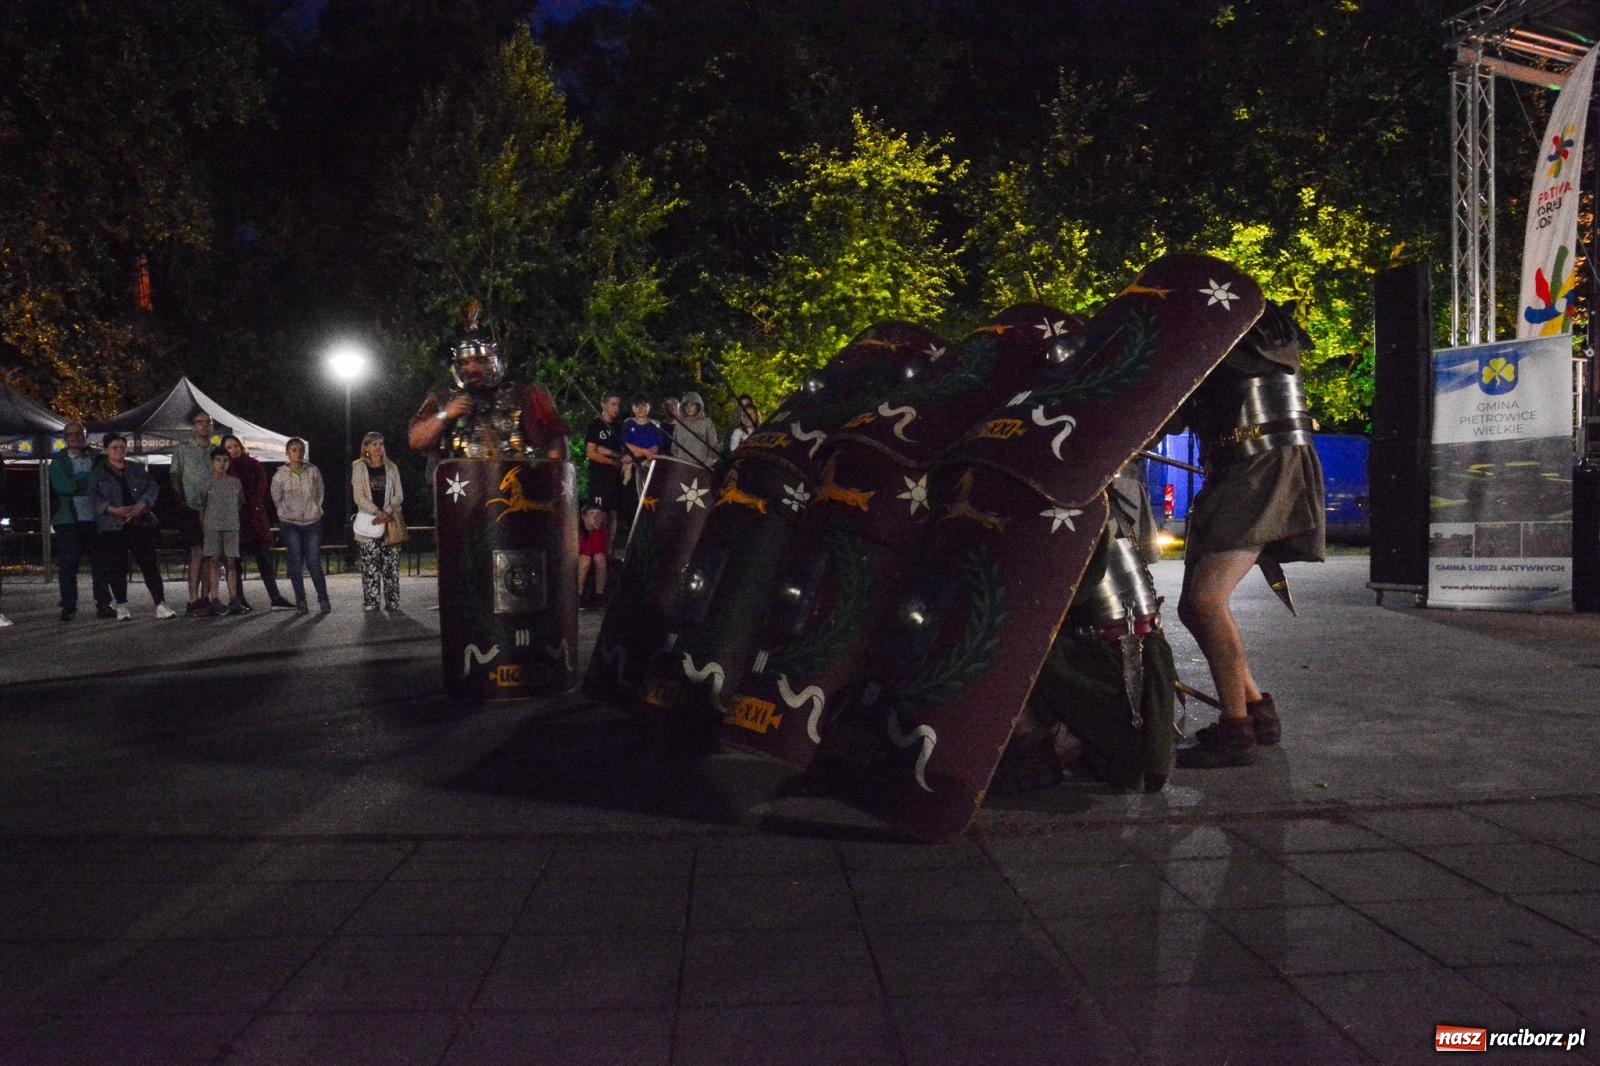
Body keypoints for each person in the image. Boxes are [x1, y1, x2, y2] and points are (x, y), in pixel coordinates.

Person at [1174, 302, 1326, 768]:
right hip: (1240, 469)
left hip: (1261, 467)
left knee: (1206, 602)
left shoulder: (1243, 344)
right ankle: (1257, 712)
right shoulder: (1232, 349)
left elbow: (1176, 402)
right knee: (1192, 606)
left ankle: (1235, 730)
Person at [89, 434, 175, 620]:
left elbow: (152, 487)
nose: (119, 451)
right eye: (114, 448)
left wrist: (142, 505)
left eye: (122, 447)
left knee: (149, 564)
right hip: (113, 525)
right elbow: (94, 498)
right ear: (106, 450)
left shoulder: (136, 468)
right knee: (117, 567)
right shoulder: (98, 472)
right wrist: (113, 510)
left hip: (139, 523)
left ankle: (160, 603)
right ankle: (122, 605)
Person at [222, 435, 293, 611]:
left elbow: (261, 486)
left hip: (254, 517)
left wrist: (253, 504)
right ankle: (239, 598)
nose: (233, 450)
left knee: (263, 558)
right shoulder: (226, 468)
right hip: (235, 518)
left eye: (235, 445)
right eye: (229, 447)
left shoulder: (253, 464)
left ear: (241, 445)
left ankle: (275, 597)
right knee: (235, 561)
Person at [48, 421, 110, 621]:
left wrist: (78, 481)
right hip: (69, 522)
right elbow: (62, 487)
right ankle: (68, 606)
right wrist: (89, 479)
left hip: (96, 520)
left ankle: (104, 604)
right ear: (64, 438)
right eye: (70, 434)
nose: (75, 437)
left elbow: (105, 484)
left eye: (79, 433)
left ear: (86, 435)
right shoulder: (57, 461)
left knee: (100, 565)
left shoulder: (99, 458)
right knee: (67, 567)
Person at [271, 437, 331, 615]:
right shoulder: (280, 475)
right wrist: (286, 511)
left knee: (313, 562)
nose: (298, 453)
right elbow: (276, 497)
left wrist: (316, 508)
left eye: (300, 450)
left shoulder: (313, 471)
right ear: (288, 453)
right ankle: (301, 602)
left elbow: (320, 492)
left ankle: (323, 599)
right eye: (294, 450)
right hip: (290, 523)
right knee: (295, 563)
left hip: (312, 522)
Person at [169, 410, 216, 616]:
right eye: (200, 422)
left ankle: (206, 596)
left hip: (213, 508)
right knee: (196, 552)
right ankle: (192, 598)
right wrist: (181, 499)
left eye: (208, 422)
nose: (204, 426)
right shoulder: (184, 448)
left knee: (209, 554)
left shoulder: (216, 451)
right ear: (193, 426)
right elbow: (174, 474)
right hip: (190, 506)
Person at [351, 431, 403, 612]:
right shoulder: (358, 467)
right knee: (370, 566)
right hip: (369, 522)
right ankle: (371, 602)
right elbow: (359, 496)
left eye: (380, 444)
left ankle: (392, 601)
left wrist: (387, 512)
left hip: (390, 522)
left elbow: (398, 495)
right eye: (373, 444)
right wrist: (377, 512)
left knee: (391, 566)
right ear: (366, 447)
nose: (377, 448)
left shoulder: (392, 467)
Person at [201, 446, 245, 616]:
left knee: (231, 562)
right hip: (212, 526)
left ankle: (234, 599)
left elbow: (240, 503)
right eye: (218, 460)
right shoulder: (206, 482)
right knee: (213, 562)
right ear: (212, 462)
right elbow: (202, 506)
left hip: (231, 526)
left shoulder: (235, 482)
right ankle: (215, 598)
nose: (222, 463)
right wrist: (204, 526)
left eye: (225, 460)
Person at [583, 393, 625, 551]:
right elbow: (591, 452)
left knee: (613, 513)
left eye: (618, 405)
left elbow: (622, 452)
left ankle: (609, 549)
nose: (616, 408)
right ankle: (595, 549)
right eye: (613, 404)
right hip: (599, 477)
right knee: (599, 513)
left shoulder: (619, 428)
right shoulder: (596, 425)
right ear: (604, 405)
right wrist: (611, 461)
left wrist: (608, 452)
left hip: (615, 478)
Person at [620, 396, 664, 488]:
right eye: (637, 405)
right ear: (632, 407)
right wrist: (644, 452)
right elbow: (626, 445)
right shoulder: (628, 423)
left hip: (649, 468)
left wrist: (637, 455)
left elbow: (655, 449)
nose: (640, 408)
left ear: (649, 407)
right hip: (630, 469)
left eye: (643, 405)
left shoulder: (655, 425)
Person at [674, 391, 720, 472]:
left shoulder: (707, 423)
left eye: (692, 405)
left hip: (702, 469)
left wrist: (706, 465)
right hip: (682, 468)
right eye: (686, 405)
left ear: (698, 406)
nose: (689, 408)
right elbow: (674, 448)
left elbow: (713, 447)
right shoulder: (679, 425)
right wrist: (679, 462)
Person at [577, 505, 608, 609]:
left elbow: (597, 550)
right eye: (591, 513)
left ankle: (600, 596)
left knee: (600, 558)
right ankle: (578, 596)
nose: (595, 516)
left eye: (598, 514)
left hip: (591, 556)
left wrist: (594, 530)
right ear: (584, 517)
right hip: (578, 558)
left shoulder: (600, 531)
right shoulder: (577, 529)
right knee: (584, 560)